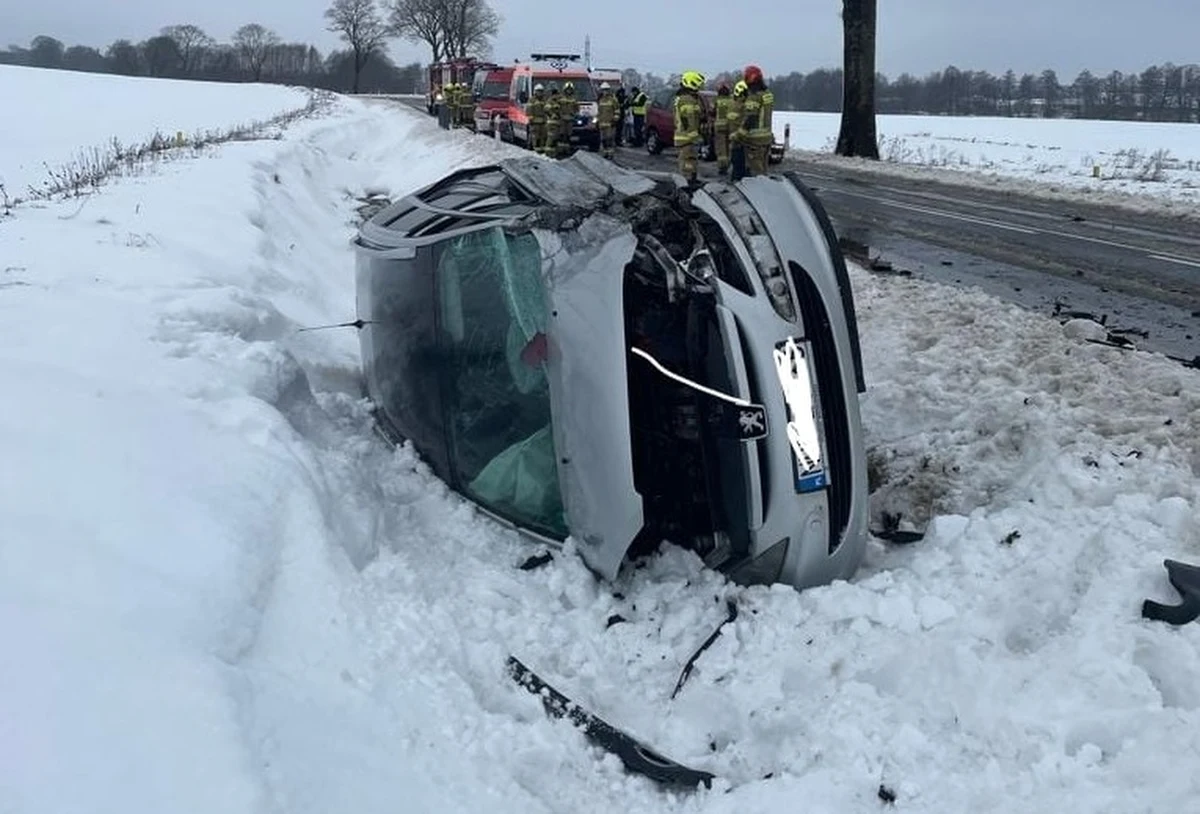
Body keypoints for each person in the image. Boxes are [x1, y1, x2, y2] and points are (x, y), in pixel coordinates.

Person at [740, 64, 774, 176]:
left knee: (755, 172)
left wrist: (740, 133)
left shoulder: (754, 96)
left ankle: (758, 192)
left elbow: (752, 116)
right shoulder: (767, 94)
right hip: (766, 138)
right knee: (763, 169)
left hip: (755, 140)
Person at [673, 70, 705, 183]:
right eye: (698, 84)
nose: (700, 87)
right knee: (688, 164)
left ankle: (690, 181)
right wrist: (695, 137)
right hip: (687, 138)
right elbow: (688, 119)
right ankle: (687, 185)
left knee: (690, 161)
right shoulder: (687, 99)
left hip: (685, 137)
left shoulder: (685, 98)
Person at [728, 80, 748, 180]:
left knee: (736, 166)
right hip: (741, 139)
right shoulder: (743, 106)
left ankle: (734, 182)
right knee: (741, 167)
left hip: (734, 139)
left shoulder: (731, 104)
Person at [713, 84, 733, 175]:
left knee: (721, 149)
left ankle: (722, 167)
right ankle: (728, 165)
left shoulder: (717, 101)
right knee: (728, 148)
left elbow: (713, 112)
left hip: (719, 127)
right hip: (730, 127)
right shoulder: (731, 101)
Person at [596, 82, 618, 159]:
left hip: (610, 124)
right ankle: (605, 153)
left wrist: (615, 120)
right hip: (602, 123)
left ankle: (610, 153)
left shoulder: (613, 100)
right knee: (603, 140)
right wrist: (597, 121)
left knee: (610, 139)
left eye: (606, 90)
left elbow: (617, 110)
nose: (604, 92)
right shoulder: (600, 100)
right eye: (603, 90)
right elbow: (599, 112)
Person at [557, 81, 578, 157]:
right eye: (567, 89)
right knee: (561, 134)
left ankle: (567, 149)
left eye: (570, 89)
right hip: (562, 119)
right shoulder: (560, 98)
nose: (569, 91)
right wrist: (559, 114)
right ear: (565, 90)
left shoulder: (574, 99)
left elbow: (577, 108)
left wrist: (574, 114)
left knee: (568, 135)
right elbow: (556, 107)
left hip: (570, 120)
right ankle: (560, 150)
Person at [527, 84, 549, 155]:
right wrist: (531, 119)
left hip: (543, 121)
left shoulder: (544, 100)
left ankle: (542, 150)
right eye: (538, 91)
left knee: (543, 136)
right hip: (535, 122)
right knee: (536, 137)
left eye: (541, 91)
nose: (540, 93)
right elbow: (529, 110)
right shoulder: (532, 100)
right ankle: (536, 150)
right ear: (535, 92)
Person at [544, 86, 562, 158]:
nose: (558, 96)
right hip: (552, 123)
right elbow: (546, 110)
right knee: (551, 138)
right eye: (557, 94)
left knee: (556, 138)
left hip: (557, 123)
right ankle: (548, 154)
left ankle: (554, 153)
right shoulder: (550, 101)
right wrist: (552, 115)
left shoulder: (558, 102)